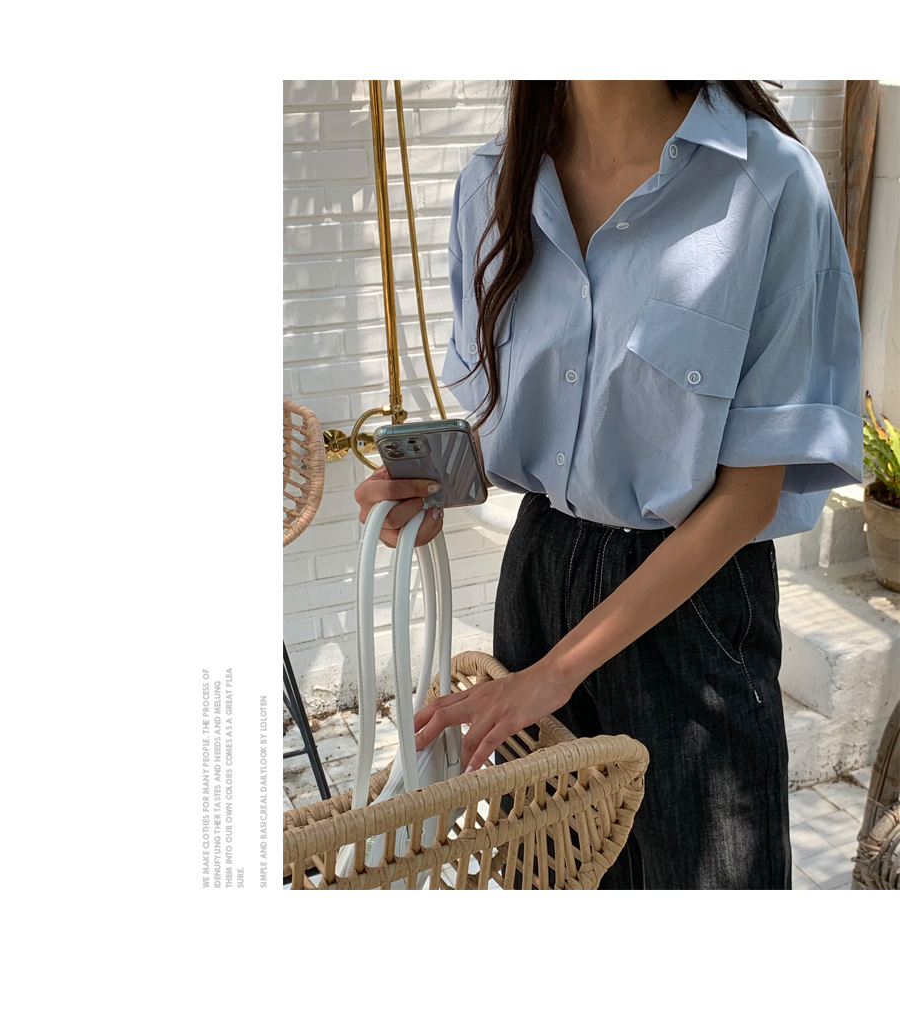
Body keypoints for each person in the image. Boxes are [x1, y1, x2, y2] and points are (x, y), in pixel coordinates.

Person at [353, 81, 865, 889]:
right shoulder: (492, 183)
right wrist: (428, 491)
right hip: (539, 577)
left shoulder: (767, 183)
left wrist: (557, 672)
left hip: (696, 605)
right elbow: (535, 426)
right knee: (551, 873)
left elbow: (747, 498)